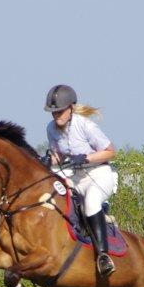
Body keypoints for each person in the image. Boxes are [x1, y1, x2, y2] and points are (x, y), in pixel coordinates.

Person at [44, 84, 117, 275]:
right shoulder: (51, 129)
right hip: (74, 176)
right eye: (53, 112)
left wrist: (86, 158)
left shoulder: (85, 125)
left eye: (59, 111)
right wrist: (48, 160)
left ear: (71, 108)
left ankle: (103, 256)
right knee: (53, 196)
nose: (56, 115)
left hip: (98, 175)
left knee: (91, 203)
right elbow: (59, 156)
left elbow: (111, 152)